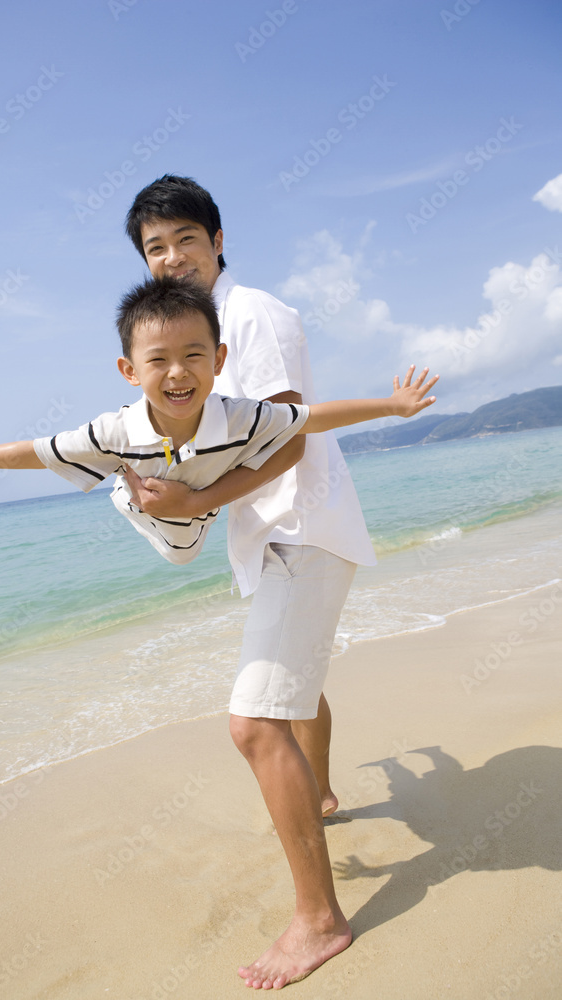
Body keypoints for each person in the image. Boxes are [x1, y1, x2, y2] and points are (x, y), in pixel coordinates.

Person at [120, 177, 437, 990]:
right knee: (297, 689)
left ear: (218, 242)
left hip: (297, 524)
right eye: (155, 247)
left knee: (253, 724)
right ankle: (321, 792)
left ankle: (319, 921)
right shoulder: (198, 335)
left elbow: (286, 438)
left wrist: (195, 499)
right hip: (279, 535)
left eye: (185, 238)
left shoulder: (248, 314)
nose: (172, 256)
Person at [0, 277, 436, 575]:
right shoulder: (113, 431)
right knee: (140, 500)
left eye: (194, 355)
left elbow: (312, 418)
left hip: (196, 522)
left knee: (190, 523)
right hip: (153, 518)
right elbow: (36, 450)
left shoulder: (241, 415)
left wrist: (392, 405)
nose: (178, 372)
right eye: (158, 360)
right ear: (129, 372)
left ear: (219, 359)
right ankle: (125, 491)